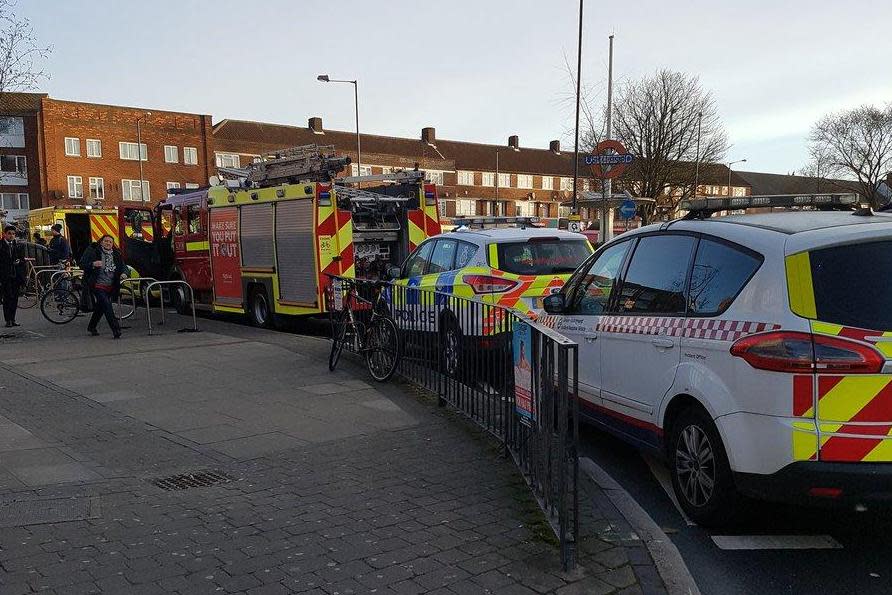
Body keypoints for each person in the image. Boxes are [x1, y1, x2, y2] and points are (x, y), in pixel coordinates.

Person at [79, 234, 127, 338]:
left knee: (101, 307)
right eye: (106, 241)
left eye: (110, 242)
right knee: (107, 305)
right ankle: (116, 330)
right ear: (101, 242)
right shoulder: (94, 252)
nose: (108, 243)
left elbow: (124, 267)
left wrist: (124, 273)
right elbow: (82, 264)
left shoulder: (116, 254)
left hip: (111, 285)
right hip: (97, 284)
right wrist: (93, 264)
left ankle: (92, 326)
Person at [0, 224, 24, 327]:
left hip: (15, 275)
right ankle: (8, 320)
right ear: (5, 234)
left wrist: (19, 262)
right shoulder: (1, 245)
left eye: (13, 234)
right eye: (9, 233)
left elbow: (22, 259)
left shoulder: (17, 245)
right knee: (7, 298)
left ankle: (13, 319)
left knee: (14, 298)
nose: (11, 236)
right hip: (5, 276)